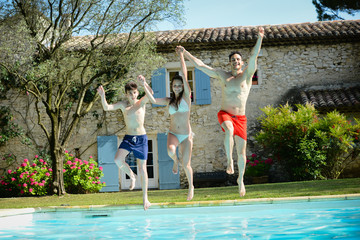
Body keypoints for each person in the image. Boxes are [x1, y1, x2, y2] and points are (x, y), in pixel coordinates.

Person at [182, 27, 264, 197]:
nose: (236, 62)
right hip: (225, 114)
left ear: (242, 62)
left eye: (238, 59)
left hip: (241, 118)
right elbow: (201, 66)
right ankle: (229, 162)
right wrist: (186, 53)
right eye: (233, 60)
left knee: (242, 153)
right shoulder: (222, 75)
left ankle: (240, 180)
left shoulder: (247, 76)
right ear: (230, 62)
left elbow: (254, 56)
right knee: (229, 130)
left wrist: (260, 38)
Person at [139, 46, 194, 201]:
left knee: (187, 164)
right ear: (171, 87)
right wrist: (144, 85)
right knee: (171, 151)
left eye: (179, 85)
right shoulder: (169, 101)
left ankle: (191, 187)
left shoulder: (186, 98)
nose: (177, 87)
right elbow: (153, 100)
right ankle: (174, 161)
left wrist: (181, 55)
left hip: (186, 134)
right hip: (173, 133)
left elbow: (183, 72)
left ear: (183, 86)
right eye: (174, 85)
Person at [97, 80, 152, 210]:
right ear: (126, 94)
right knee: (117, 160)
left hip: (141, 139)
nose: (133, 95)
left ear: (137, 92)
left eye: (134, 92)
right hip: (128, 138)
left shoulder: (142, 103)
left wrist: (144, 83)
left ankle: (145, 198)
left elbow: (151, 95)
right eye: (130, 93)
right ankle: (131, 175)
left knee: (143, 168)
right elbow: (107, 107)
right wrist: (102, 96)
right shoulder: (123, 105)